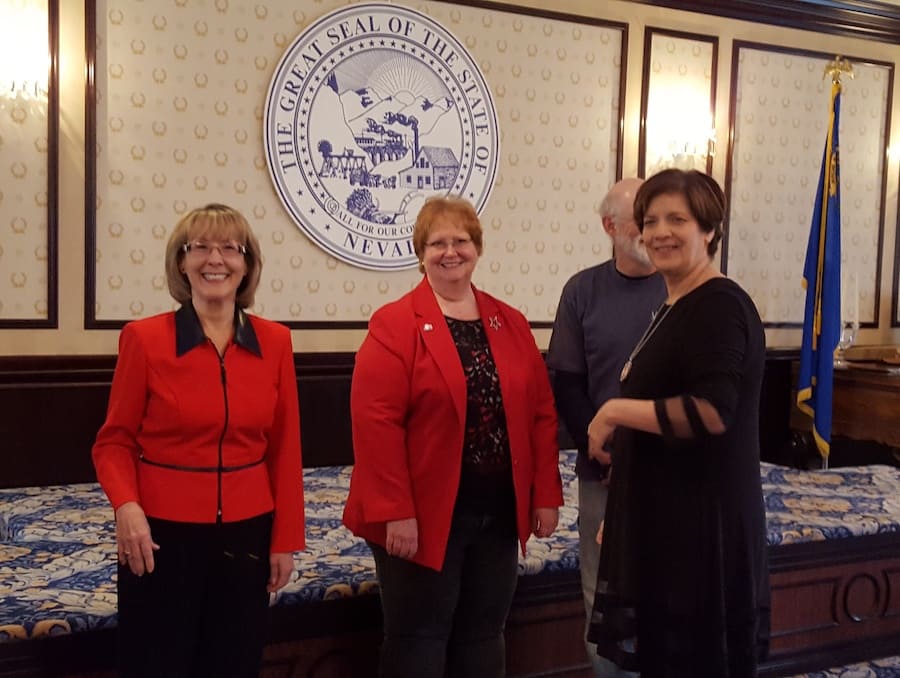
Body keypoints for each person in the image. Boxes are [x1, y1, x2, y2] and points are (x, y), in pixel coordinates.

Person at [342, 195, 563, 678]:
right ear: (420, 252)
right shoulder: (395, 323)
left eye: (460, 240)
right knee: (418, 636)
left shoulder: (511, 321)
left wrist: (544, 496)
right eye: (437, 242)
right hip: (420, 513)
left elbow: (541, 416)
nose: (450, 251)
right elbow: (375, 422)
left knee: (485, 633)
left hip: (498, 511)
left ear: (477, 248)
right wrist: (394, 511)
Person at [92, 203, 305, 678]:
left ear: (246, 264)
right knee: (157, 663)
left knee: (233, 662)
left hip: (248, 533)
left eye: (231, 248)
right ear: (181, 262)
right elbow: (113, 443)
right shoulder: (144, 340)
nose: (216, 259)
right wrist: (127, 509)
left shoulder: (276, 342)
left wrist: (285, 539)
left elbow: (285, 448)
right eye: (201, 247)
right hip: (159, 536)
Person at [587, 169, 770, 676]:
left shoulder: (719, 304)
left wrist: (612, 411)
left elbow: (710, 412)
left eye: (677, 219)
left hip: (701, 531)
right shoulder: (675, 303)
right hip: (665, 521)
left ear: (709, 229)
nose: (660, 231)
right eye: (650, 221)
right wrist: (624, 506)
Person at [547, 177, 666, 676]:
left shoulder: (685, 287)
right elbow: (567, 381)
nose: (652, 230)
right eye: (642, 219)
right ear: (609, 227)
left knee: (669, 592)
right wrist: (595, 447)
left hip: (672, 472)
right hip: (602, 472)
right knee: (602, 597)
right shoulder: (582, 290)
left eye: (658, 217)